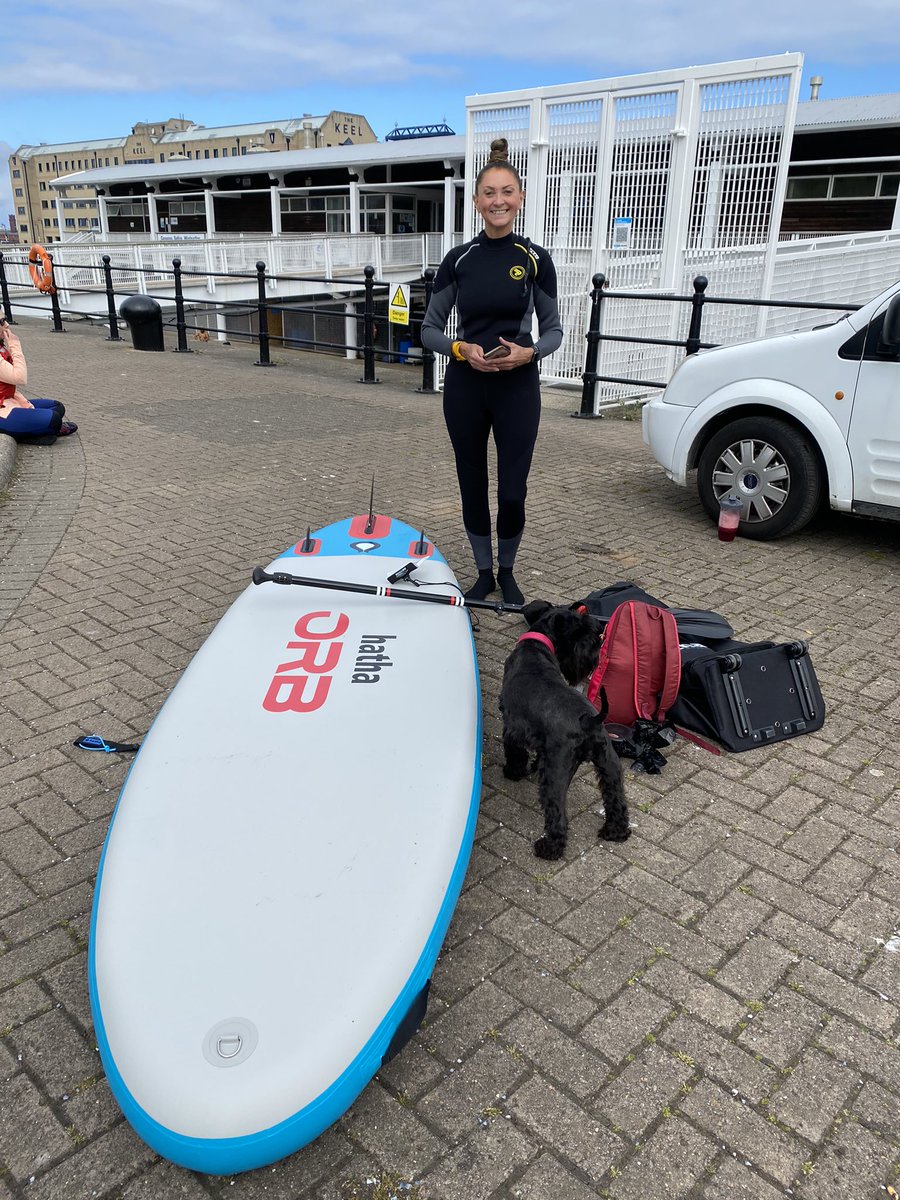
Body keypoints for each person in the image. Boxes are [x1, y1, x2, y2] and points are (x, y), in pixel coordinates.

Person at [421, 138, 563, 605]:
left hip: (517, 388)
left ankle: (509, 571)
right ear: (477, 201)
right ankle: (483, 575)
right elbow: (429, 331)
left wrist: (531, 354)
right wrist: (460, 349)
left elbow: (555, 331)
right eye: (489, 193)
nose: (498, 201)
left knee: (513, 490)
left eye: (507, 192)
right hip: (466, 387)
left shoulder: (536, 259)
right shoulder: (458, 260)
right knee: (472, 482)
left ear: (520, 198)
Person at [0, 320, 77, 442]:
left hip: (8, 401)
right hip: (2, 409)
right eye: (1, 322)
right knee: (54, 420)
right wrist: (15, 346)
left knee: (57, 406)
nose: (6, 325)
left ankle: (34, 429)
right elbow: (19, 377)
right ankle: (28, 434)